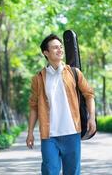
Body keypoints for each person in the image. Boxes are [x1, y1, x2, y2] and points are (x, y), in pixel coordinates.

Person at [26, 34, 96, 175]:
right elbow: (34, 107)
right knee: (49, 171)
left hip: (72, 133)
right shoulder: (38, 78)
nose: (59, 50)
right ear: (46, 53)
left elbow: (89, 95)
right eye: (55, 47)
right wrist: (30, 132)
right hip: (49, 136)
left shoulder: (74, 73)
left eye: (60, 47)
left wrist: (92, 118)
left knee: (72, 172)